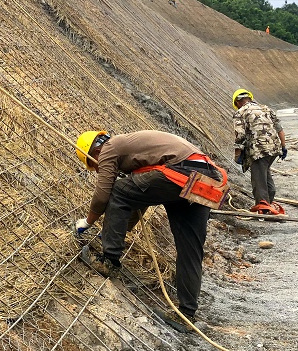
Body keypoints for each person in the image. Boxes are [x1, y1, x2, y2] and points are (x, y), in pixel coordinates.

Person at [73, 130, 227, 330]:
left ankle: (108, 262)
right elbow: (140, 199)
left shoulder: (110, 147)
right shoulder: (138, 150)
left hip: (181, 172)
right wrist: (115, 230)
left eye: (94, 166)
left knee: (118, 190)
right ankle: (186, 314)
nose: (98, 169)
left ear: (94, 153)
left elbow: (104, 194)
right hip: (206, 177)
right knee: (190, 248)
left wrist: (88, 221)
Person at [231, 89, 287, 215]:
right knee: (264, 174)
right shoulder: (266, 109)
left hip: (258, 151)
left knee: (258, 181)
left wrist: (237, 154)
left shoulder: (240, 112)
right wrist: (284, 147)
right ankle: (269, 201)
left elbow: (240, 135)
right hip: (274, 149)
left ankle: (263, 208)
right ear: (250, 98)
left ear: (237, 102)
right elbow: (279, 129)